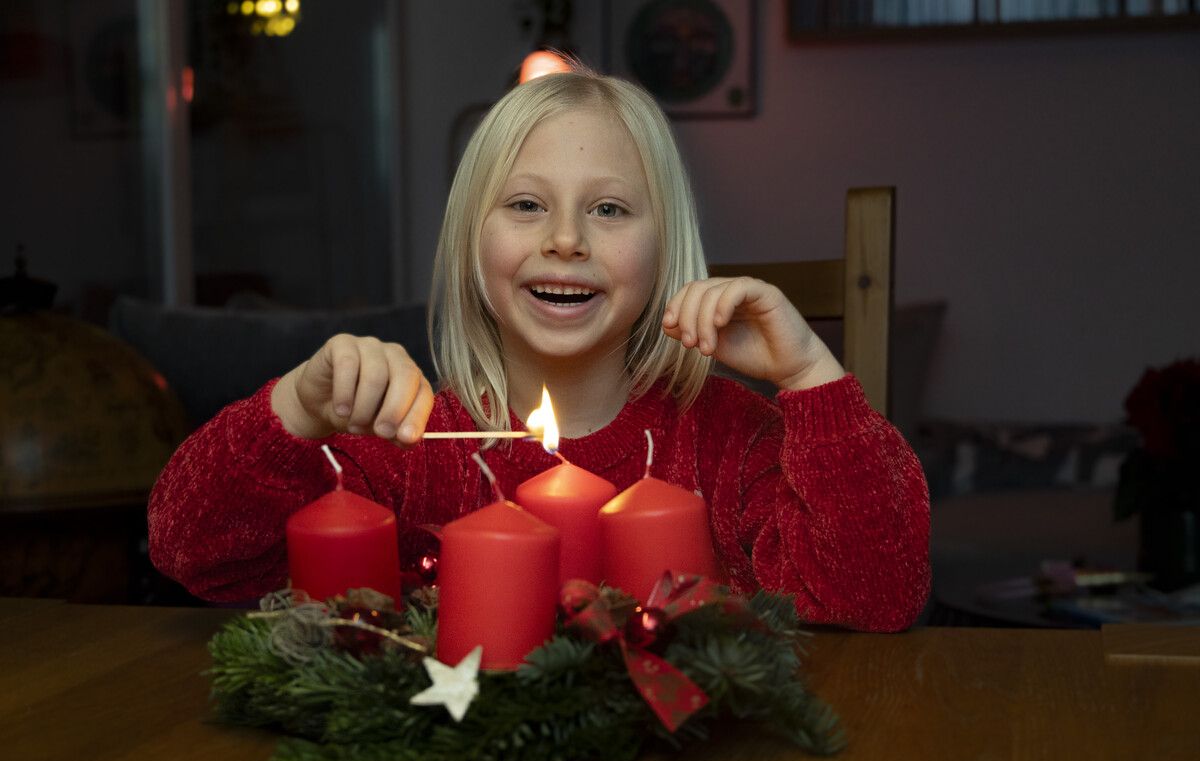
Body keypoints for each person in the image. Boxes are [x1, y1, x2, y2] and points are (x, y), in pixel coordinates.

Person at [148, 65, 930, 631]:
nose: (564, 240)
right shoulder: (405, 446)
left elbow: (876, 596)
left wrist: (811, 376)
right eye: (526, 205)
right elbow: (192, 552)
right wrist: (296, 407)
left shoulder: (728, 438)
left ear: (665, 252)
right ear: (469, 241)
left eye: (611, 209)